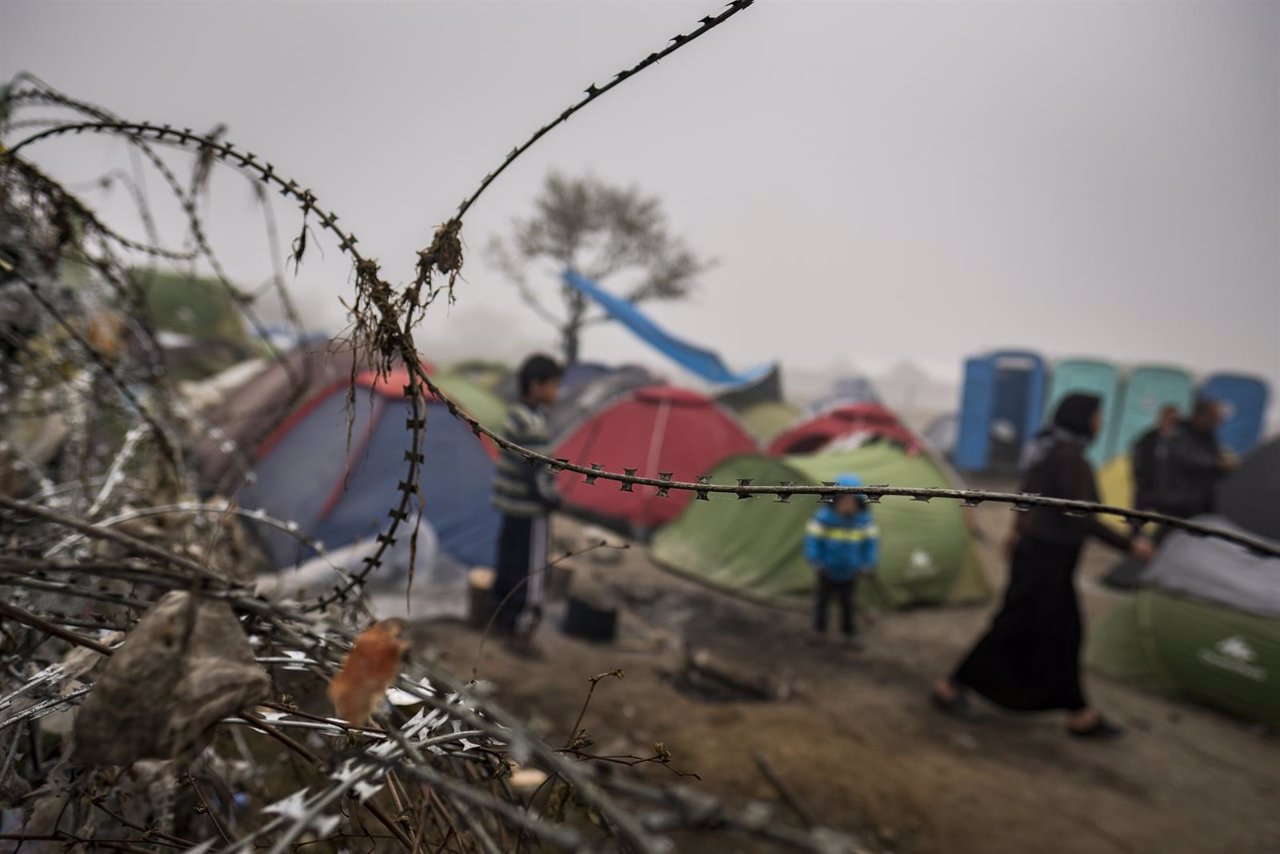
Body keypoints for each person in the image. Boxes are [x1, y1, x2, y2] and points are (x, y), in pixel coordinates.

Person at [931, 393, 1155, 738]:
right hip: (1046, 559)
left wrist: (1015, 532)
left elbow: (1028, 496)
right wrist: (1129, 545)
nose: (1101, 423)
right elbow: (1080, 514)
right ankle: (951, 686)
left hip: (1042, 555)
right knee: (1019, 626)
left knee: (1059, 634)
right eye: (1098, 415)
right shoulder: (1070, 459)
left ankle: (1079, 712)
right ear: (1082, 418)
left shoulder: (1048, 449)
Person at [489, 354, 563, 650]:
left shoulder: (517, 414)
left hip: (509, 506)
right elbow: (534, 474)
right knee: (533, 572)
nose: (557, 393)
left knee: (508, 563)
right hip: (531, 510)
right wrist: (551, 500)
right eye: (553, 385)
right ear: (536, 386)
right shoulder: (532, 423)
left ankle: (499, 617)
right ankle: (521, 629)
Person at [804, 474, 879, 647]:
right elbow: (813, 541)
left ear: (859, 503)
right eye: (844, 500)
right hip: (827, 570)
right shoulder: (823, 520)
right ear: (835, 501)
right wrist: (816, 560)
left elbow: (870, 545)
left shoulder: (864, 523)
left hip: (850, 572)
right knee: (822, 603)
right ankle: (819, 631)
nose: (848, 505)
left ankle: (849, 634)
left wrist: (868, 563)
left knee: (848, 604)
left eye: (852, 501)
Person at [1157, 399, 1234, 520]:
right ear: (1201, 416)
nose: (1217, 422)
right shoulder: (1181, 432)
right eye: (1214, 418)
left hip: (1200, 501)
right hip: (1179, 501)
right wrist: (1216, 463)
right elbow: (1186, 458)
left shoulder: (1208, 435)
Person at [1130, 404, 1180, 531]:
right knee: (1136, 521)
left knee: (1167, 524)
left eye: (1173, 421)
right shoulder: (1149, 437)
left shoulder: (1180, 443)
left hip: (1167, 491)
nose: (1170, 424)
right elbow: (1137, 457)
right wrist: (1139, 478)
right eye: (1168, 420)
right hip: (1145, 488)